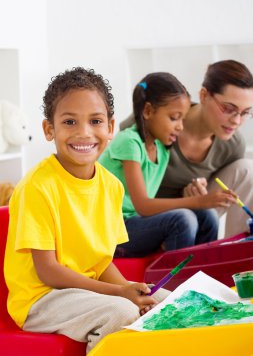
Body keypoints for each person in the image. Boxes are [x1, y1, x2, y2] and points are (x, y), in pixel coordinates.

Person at [4, 67, 169, 354]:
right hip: (42, 299)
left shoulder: (111, 186)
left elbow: (101, 261)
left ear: (110, 127)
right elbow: (48, 272)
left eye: (95, 121)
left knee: (165, 299)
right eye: (69, 121)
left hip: (84, 292)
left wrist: (135, 292)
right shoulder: (36, 187)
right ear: (48, 129)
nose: (84, 133)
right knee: (120, 312)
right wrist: (120, 293)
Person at [99, 72, 236, 258]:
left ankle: (204, 274)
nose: (180, 126)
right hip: (110, 230)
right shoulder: (129, 142)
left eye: (183, 119)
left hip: (135, 223)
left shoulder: (162, 149)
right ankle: (174, 283)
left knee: (208, 216)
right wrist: (200, 201)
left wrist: (199, 191)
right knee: (183, 219)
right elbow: (143, 206)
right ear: (147, 111)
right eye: (174, 118)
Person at [120, 60, 253, 238]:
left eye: (245, 113)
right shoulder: (156, 120)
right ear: (204, 95)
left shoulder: (232, 144)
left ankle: (238, 253)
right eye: (228, 109)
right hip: (143, 210)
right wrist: (194, 200)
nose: (237, 121)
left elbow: (209, 196)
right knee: (186, 217)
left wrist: (198, 193)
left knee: (247, 169)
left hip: (193, 206)